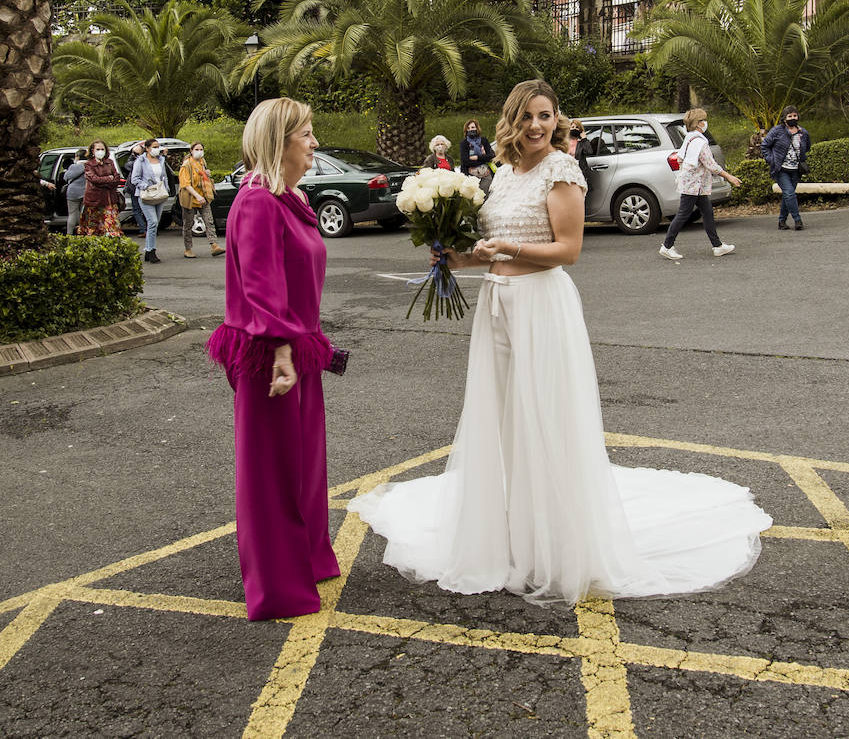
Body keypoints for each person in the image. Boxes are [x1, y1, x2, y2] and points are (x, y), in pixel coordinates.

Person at [349, 79, 771, 607]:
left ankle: (556, 549)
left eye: (546, 116)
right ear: (511, 120)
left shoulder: (562, 171)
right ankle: (511, 538)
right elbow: (490, 251)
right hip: (497, 307)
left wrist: (510, 247)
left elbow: (569, 250)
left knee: (545, 420)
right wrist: (455, 259)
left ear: (557, 120)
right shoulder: (502, 176)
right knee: (503, 419)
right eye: (527, 116)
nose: (536, 126)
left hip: (541, 307)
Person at [205, 98, 339, 621]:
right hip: (269, 353)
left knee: (304, 464)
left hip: (295, 346)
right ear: (279, 142)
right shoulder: (258, 201)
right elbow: (261, 285)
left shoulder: (289, 198)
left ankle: (307, 558)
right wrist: (282, 349)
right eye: (306, 134)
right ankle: (277, 587)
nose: (314, 144)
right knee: (272, 472)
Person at [658, 108, 741, 260]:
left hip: (695, 185)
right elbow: (711, 164)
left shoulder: (689, 138)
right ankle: (667, 246)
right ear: (698, 124)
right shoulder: (700, 142)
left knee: (707, 212)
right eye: (703, 120)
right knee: (683, 214)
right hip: (693, 185)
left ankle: (717, 246)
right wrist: (729, 177)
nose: (705, 123)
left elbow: (680, 158)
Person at [761, 105, 811, 230]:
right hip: (781, 169)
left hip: (795, 169)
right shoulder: (777, 131)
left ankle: (782, 221)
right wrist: (771, 159)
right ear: (784, 118)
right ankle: (798, 220)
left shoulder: (803, 133)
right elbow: (765, 146)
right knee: (789, 193)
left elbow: (807, 147)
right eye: (789, 116)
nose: (792, 118)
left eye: (794, 115)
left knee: (788, 195)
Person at [179, 141, 224, 258]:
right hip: (190, 198)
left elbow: (203, 176)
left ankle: (214, 245)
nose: (199, 152)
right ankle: (188, 249)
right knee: (188, 224)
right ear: (191, 151)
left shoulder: (202, 162)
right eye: (197, 150)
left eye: (201, 150)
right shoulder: (186, 165)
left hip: (204, 197)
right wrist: (197, 196)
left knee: (209, 221)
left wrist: (206, 173)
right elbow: (186, 184)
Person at [129, 138, 170, 263]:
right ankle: (151, 250)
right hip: (147, 195)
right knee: (152, 222)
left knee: (155, 223)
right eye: (154, 146)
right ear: (147, 148)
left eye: (158, 146)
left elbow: (164, 176)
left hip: (160, 194)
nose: (156, 149)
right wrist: (146, 186)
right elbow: (135, 179)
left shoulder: (161, 160)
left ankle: (148, 250)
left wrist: (166, 188)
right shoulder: (140, 161)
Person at [77, 139, 123, 237]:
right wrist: (108, 179)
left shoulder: (110, 162)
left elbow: (116, 179)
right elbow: (94, 179)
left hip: (110, 199)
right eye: (98, 149)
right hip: (94, 200)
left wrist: (104, 181)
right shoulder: (89, 164)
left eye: (102, 149)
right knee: (93, 228)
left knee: (113, 227)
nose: (100, 151)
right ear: (92, 151)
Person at [459, 118, 496, 191]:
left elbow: (491, 155)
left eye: (472, 127)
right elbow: (465, 161)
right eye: (468, 128)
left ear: (477, 128)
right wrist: (484, 158)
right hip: (470, 176)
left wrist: (477, 158)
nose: (470, 130)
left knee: (486, 195)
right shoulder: (464, 143)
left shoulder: (484, 140)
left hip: (486, 174)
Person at [62, 149, 87, 235]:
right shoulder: (90, 166)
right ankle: (83, 233)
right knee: (84, 214)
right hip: (86, 193)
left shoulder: (73, 167)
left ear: (77, 157)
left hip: (73, 193)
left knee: (72, 213)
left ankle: (69, 234)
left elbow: (65, 177)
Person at [126, 140, 147, 235]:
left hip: (137, 188)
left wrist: (133, 154)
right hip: (145, 188)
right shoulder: (150, 160)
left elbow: (128, 165)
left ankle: (144, 230)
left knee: (137, 209)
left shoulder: (139, 162)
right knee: (147, 209)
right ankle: (150, 229)